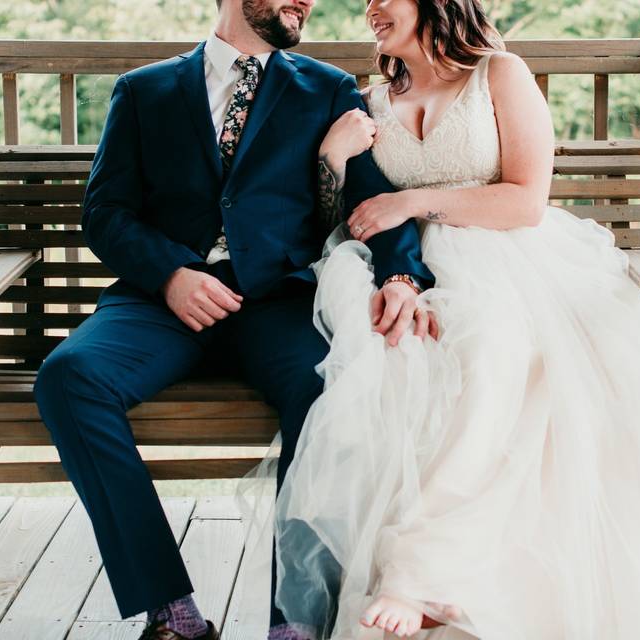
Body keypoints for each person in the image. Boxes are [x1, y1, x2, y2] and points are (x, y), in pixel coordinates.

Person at [261, 0, 640, 637]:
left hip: (502, 258)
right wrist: (335, 159)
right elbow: (346, 213)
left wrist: (414, 200)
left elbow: (526, 199)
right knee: (390, 364)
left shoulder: (499, 74)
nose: (371, 9)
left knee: (492, 348)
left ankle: (422, 570)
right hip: (404, 270)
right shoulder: (369, 100)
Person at [31, 0, 435, 638]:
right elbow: (105, 213)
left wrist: (402, 276)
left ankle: (293, 621)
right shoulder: (144, 91)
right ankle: (172, 611)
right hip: (161, 305)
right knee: (68, 377)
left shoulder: (326, 90)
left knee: (330, 385)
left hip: (276, 303)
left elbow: (371, 199)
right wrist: (169, 274)